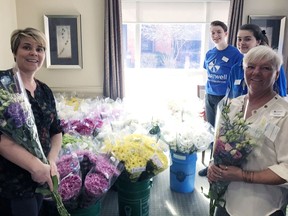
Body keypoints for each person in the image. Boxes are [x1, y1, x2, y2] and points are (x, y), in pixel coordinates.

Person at [208, 45, 288, 216]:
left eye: (266, 68)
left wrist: (244, 175)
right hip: (225, 201)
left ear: (277, 74)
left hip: (262, 208)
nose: (256, 72)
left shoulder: (285, 114)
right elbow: (219, 148)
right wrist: (213, 167)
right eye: (251, 67)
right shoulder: (231, 106)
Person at [0, 28, 63, 216]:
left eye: (40, 49)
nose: (34, 53)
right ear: (15, 51)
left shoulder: (45, 91)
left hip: (41, 177)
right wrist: (35, 166)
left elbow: (56, 131)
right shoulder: (3, 84)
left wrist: (50, 162)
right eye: (27, 47)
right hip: (13, 181)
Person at [199, 20, 243, 176]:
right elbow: (209, 74)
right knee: (211, 131)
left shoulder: (235, 54)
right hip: (210, 96)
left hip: (226, 98)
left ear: (226, 33)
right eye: (212, 33)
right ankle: (211, 164)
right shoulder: (209, 54)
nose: (215, 35)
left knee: (222, 134)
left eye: (218, 32)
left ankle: (220, 166)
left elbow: (238, 76)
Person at [228, 23, 287, 98]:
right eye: (239, 39)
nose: (242, 43)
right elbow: (230, 98)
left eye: (247, 39)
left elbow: (281, 95)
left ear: (258, 41)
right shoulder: (235, 69)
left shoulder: (272, 64)